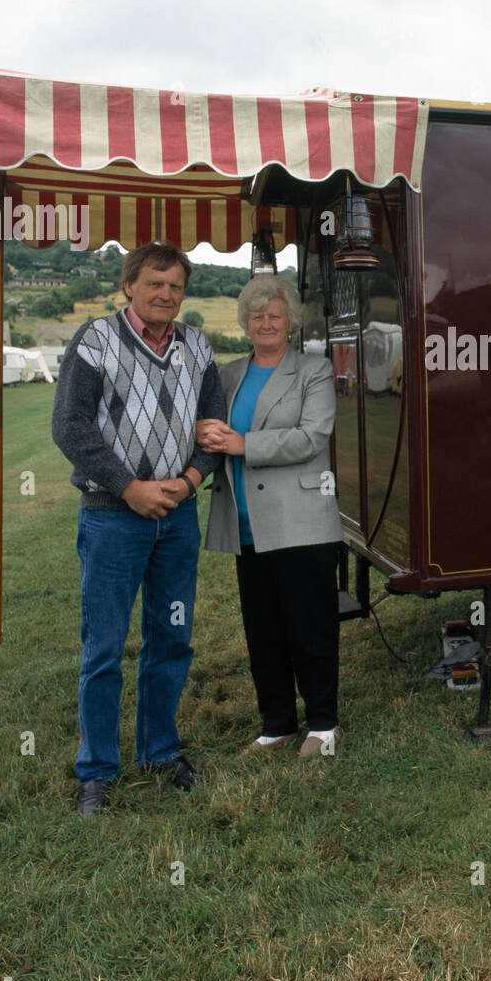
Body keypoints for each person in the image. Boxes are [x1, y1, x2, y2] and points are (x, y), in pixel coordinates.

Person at [52, 241, 225, 815]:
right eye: (154, 283)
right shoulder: (95, 341)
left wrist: (193, 478)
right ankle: (97, 771)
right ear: (129, 285)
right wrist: (131, 488)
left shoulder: (197, 344)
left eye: (175, 285)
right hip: (112, 517)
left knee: (171, 637)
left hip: (176, 520)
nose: (166, 295)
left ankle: (160, 750)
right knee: (103, 645)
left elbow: (213, 427)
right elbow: (71, 427)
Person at [197, 275, 343, 760]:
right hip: (245, 526)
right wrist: (207, 433)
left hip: (301, 523)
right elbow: (210, 429)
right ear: (245, 322)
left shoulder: (314, 371)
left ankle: (322, 726)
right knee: (263, 633)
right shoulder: (228, 374)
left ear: (291, 323)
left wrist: (243, 444)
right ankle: (276, 725)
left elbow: (312, 436)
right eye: (256, 315)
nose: (265, 322)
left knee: (311, 629)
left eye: (274, 315)